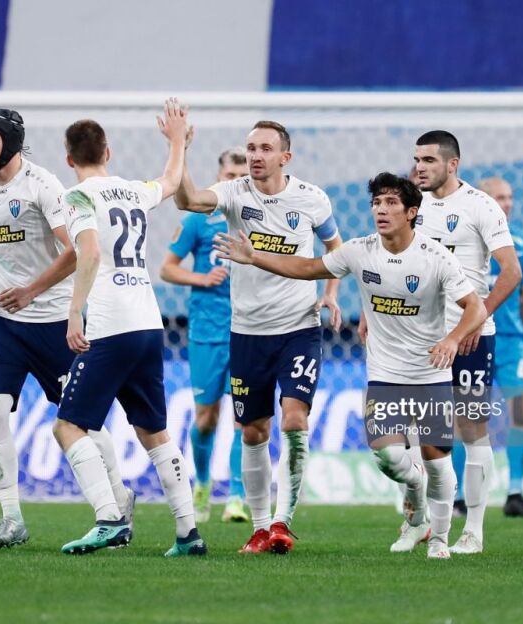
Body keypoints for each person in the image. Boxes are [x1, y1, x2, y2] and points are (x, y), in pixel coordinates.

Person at [216, 172, 487, 558]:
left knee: (437, 460)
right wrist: (254, 257)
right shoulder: (360, 251)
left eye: (391, 203)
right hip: (385, 375)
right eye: (376, 203)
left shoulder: (436, 257)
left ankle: (439, 540)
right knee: (389, 458)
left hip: (430, 373)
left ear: (411, 212)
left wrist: (453, 339)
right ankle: (416, 501)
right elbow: (308, 267)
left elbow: (475, 307)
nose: (381, 210)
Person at [0, 108, 133, 548]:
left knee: (81, 419)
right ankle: (11, 518)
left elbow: (76, 250)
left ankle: (119, 497)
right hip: (6, 323)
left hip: (54, 321)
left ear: (10, 143)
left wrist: (31, 291)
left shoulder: (43, 186)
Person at [175, 120, 342, 555]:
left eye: (265, 148)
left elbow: (336, 249)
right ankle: (260, 527)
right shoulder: (234, 193)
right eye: (251, 148)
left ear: (286, 157)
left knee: (294, 419)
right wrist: (179, 147)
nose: (255, 156)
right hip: (248, 330)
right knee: (252, 431)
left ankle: (283, 522)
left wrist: (330, 294)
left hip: (299, 328)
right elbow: (188, 200)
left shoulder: (311, 199)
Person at [55, 101, 206, 557]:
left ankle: (108, 519)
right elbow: (171, 181)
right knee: (154, 431)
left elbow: (90, 252)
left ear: (69, 159)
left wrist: (75, 311)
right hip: (148, 323)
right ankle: (188, 534)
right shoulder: (132, 190)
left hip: (110, 324)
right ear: (108, 152)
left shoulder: (76, 197)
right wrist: (177, 141)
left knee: (68, 426)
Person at [413, 131, 521, 555]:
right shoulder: (412, 204)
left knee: (472, 429)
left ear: (452, 164)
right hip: (421, 337)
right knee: (418, 433)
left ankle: (473, 530)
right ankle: (421, 522)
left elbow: (511, 271)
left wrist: (479, 316)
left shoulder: (481, 206)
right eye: (417, 159)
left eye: (428, 160)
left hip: (472, 339)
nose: (420, 167)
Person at [160, 147, 249, 524]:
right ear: (219, 176)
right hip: (207, 332)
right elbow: (167, 269)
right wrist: (202, 278)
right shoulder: (200, 219)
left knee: (245, 417)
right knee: (206, 419)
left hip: (248, 330)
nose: (236, 183)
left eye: (242, 177)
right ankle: (202, 482)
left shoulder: (260, 217)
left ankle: (237, 497)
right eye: (230, 176)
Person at [480, 177, 523, 518]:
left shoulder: (521, 241)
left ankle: (516, 492)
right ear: (484, 201)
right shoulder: (466, 237)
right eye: (501, 198)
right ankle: (458, 496)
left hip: (512, 342)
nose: (508, 203)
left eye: (510, 197)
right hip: (475, 337)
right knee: (467, 419)